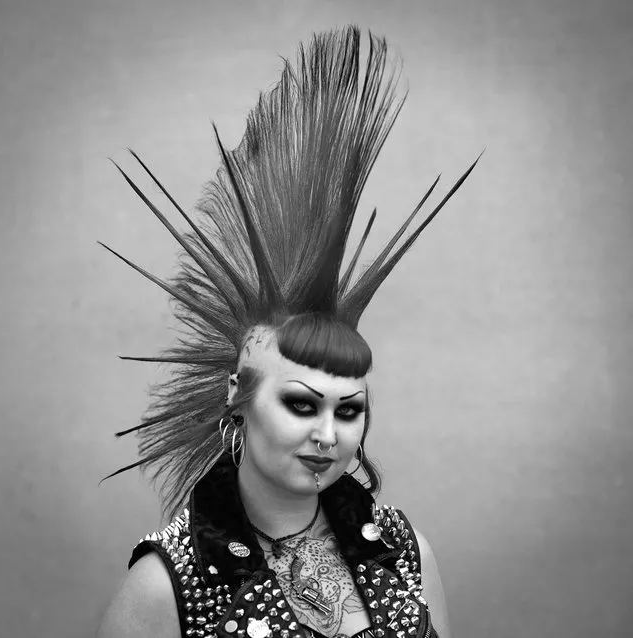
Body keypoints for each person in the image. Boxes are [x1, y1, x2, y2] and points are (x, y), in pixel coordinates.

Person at [97, 25, 477, 638]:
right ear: (235, 394)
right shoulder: (167, 584)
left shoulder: (406, 556)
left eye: (348, 411)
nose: (327, 435)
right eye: (300, 403)